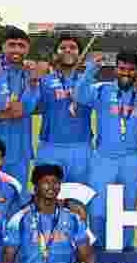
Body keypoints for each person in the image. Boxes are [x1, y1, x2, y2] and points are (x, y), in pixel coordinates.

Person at [0, 165, 111, 263]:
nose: (52, 187)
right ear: (35, 185)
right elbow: (8, 254)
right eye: (46, 182)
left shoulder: (72, 217)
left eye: (56, 182)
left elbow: (88, 253)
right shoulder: (20, 217)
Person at [75, 49, 137, 251]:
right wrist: (90, 70)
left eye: (131, 70)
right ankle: (98, 250)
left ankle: (124, 249)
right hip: (104, 159)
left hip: (131, 159)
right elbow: (79, 95)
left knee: (128, 207)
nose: (126, 73)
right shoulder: (102, 90)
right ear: (116, 69)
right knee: (98, 209)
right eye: (122, 68)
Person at [0, 26, 42, 188]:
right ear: (3, 47)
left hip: (20, 155)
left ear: (27, 49)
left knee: (17, 199)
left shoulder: (30, 75)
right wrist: (4, 115)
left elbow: (32, 107)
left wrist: (33, 82)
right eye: (12, 44)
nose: (16, 49)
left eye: (21, 45)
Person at [36, 34, 94, 184]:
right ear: (56, 54)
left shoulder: (89, 81)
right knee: (47, 198)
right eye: (63, 47)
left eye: (73, 48)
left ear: (81, 55)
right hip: (50, 148)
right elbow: (34, 107)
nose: (68, 50)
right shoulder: (44, 80)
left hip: (81, 148)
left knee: (79, 199)